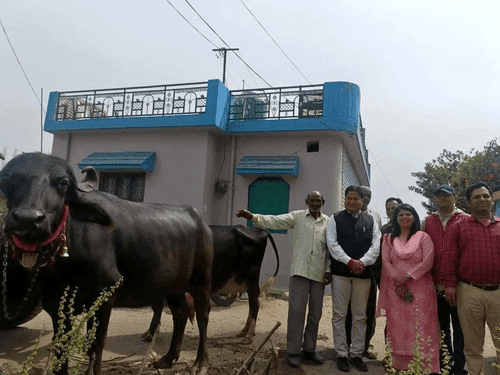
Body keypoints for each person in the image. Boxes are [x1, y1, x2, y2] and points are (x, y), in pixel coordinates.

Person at [236, 191, 330, 369]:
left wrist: (329, 269)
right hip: (300, 272)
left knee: (315, 314)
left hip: (319, 274)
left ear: (323, 202)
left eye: (318, 200)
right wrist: (253, 216)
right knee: (296, 312)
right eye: (312, 200)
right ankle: (293, 352)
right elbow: (275, 220)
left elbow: (330, 248)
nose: (315, 203)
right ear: (306, 201)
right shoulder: (298, 217)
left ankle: (309, 350)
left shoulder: (328, 222)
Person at [442, 183, 500, 375]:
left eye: (485, 196)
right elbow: (449, 258)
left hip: (498, 292)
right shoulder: (459, 226)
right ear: (469, 202)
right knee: (472, 346)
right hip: (468, 291)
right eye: (477, 197)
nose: (482, 200)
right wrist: (449, 286)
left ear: (492, 199)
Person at [377, 203, 440, 373]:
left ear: (414, 217)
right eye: (401, 215)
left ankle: (425, 366)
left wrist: (407, 277)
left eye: (408, 214)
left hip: (421, 290)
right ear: (395, 219)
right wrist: (399, 281)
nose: (405, 217)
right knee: (398, 326)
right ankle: (399, 365)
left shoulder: (423, 237)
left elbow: (427, 261)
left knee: (421, 326)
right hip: (396, 291)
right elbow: (385, 261)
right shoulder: (388, 239)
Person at [327, 185, 380, 372]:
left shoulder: (371, 220)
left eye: (356, 199)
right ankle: (341, 353)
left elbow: (375, 246)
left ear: (362, 201)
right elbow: (332, 244)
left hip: (363, 275)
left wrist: (362, 263)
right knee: (340, 314)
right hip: (341, 273)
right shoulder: (335, 218)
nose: (351, 202)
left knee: (360, 316)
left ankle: (356, 353)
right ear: (345, 199)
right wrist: (349, 261)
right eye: (348, 198)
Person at [422, 184, 468, 375]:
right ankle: (444, 364)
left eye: (446, 196)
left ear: (455, 198)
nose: (442, 199)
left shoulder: (465, 220)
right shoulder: (428, 221)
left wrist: (454, 283)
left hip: (459, 286)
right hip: (434, 286)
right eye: (438, 196)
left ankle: (460, 367)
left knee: (460, 328)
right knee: (440, 328)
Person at [345, 186, 382, 360]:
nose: (365, 198)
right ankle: (346, 345)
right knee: (347, 311)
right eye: (363, 195)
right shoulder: (343, 215)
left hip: (369, 272)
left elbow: (377, 244)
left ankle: (365, 346)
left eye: (368, 196)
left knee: (368, 311)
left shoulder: (375, 216)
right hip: (348, 271)